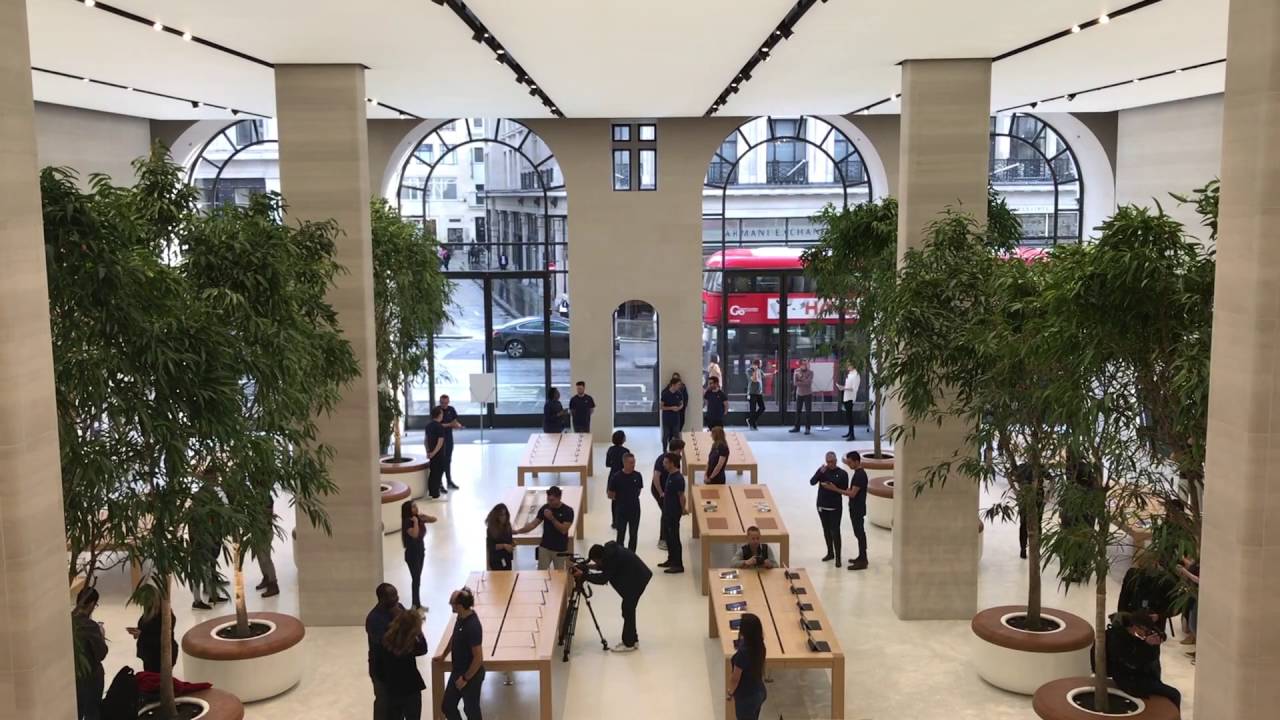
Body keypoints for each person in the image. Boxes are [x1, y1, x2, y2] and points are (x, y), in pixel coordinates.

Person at [577, 541, 653, 651]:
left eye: (596, 561)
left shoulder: (611, 559)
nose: (596, 563)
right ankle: (633, 639)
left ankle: (629, 644)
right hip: (638, 576)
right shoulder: (610, 553)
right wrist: (587, 567)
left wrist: (584, 575)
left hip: (637, 580)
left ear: (600, 557)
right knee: (628, 610)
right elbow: (604, 566)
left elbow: (603, 579)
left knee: (628, 609)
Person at [1106, 611, 1182, 710]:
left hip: (1144, 675)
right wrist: (1147, 645)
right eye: (1145, 631)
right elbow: (1133, 663)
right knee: (1174, 695)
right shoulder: (1118, 638)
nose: (1147, 634)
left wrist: (1157, 639)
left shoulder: (1142, 632)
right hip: (1129, 679)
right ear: (1135, 627)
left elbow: (1161, 635)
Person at [374, 608, 428, 720]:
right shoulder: (412, 645)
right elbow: (424, 649)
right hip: (411, 689)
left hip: (393, 689)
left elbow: (379, 668)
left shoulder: (386, 641)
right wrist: (419, 632)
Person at [442, 588, 485, 720]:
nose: (451, 606)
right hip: (458, 671)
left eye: (452, 604)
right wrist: (443, 655)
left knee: (471, 710)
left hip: (470, 674)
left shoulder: (472, 626)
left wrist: (465, 678)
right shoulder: (460, 617)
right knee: (448, 706)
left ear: (460, 605)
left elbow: (478, 658)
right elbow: (454, 637)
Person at [367, 583, 405, 720]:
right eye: (392, 596)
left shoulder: (398, 608)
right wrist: (398, 619)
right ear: (382, 599)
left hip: (397, 668)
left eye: (396, 594)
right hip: (380, 670)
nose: (397, 598)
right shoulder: (373, 619)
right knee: (383, 705)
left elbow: (411, 628)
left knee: (397, 706)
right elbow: (387, 643)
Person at [514, 485, 574, 570]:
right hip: (545, 547)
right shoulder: (545, 508)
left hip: (560, 549)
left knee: (559, 575)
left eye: (552, 500)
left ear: (559, 497)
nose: (550, 502)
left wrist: (552, 518)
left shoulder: (568, 511)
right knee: (541, 573)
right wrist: (517, 531)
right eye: (548, 500)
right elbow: (533, 524)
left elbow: (564, 530)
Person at [72, 586, 107, 720]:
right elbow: (101, 653)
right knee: (92, 711)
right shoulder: (90, 626)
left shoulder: (67, 621)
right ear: (92, 604)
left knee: (77, 711)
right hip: (90, 676)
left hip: (72, 676)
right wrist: (102, 634)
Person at [726, 612, 767, 720]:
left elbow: (735, 678)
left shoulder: (743, 654)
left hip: (746, 697)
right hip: (759, 691)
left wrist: (730, 692)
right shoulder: (760, 645)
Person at [810, 451, 849, 565]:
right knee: (826, 530)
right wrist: (819, 473)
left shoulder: (842, 473)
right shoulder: (822, 471)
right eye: (828, 462)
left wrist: (832, 487)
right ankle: (830, 552)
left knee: (835, 531)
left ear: (836, 461)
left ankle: (838, 557)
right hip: (822, 505)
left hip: (835, 507)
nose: (830, 464)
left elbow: (844, 489)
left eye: (832, 462)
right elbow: (812, 482)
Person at [129, 585, 177, 673]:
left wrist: (142, 634)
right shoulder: (149, 612)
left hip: (159, 655)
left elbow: (163, 638)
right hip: (149, 655)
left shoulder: (165, 616)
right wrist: (138, 632)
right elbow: (148, 630)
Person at [401, 501, 438, 608]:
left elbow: (434, 519)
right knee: (416, 579)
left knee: (417, 579)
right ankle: (415, 604)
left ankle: (417, 604)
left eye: (416, 506)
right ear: (408, 510)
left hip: (421, 552)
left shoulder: (418, 517)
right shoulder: (407, 522)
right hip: (412, 554)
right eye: (413, 507)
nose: (416, 508)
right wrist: (416, 522)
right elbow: (415, 534)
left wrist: (425, 517)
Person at [657, 452, 687, 574]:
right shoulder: (670, 475)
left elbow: (681, 496)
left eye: (665, 462)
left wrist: (683, 509)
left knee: (674, 538)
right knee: (669, 537)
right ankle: (671, 559)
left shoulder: (678, 478)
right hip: (667, 511)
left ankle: (678, 564)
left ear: (672, 463)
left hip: (673, 513)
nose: (663, 464)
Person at [651, 437, 684, 551]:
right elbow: (656, 477)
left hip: (668, 490)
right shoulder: (662, 459)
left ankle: (668, 537)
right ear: (676, 450)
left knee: (667, 513)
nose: (681, 453)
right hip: (659, 490)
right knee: (665, 513)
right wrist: (661, 493)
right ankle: (663, 539)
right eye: (680, 450)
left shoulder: (676, 459)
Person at [608, 453, 644, 551]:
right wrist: (621, 499)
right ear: (624, 463)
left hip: (635, 510)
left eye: (634, 462)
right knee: (621, 534)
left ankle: (632, 556)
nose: (633, 465)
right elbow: (610, 494)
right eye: (631, 463)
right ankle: (620, 556)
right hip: (621, 510)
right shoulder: (616, 477)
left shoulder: (638, 475)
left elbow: (639, 491)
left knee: (633, 534)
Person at [843, 451, 870, 570]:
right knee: (858, 533)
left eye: (850, 463)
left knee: (860, 533)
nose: (849, 465)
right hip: (855, 507)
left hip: (857, 508)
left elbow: (853, 494)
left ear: (856, 461)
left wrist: (836, 489)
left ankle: (863, 560)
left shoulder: (860, 475)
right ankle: (861, 556)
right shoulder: (857, 473)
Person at [252, 495, 279, 597]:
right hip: (258, 531)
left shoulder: (266, 497)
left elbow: (267, 514)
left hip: (264, 531)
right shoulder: (256, 496)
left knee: (265, 558)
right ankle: (266, 578)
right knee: (260, 557)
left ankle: (273, 584)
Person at [605, 430, 630, 530]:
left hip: (613, 475)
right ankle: (622, 520)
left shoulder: (610, 449)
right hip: (623, 475)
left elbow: (607, 464)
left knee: (614, 500)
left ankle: (614, 522)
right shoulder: (626, 451)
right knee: (623, 499)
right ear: (622, 439)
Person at [440, 394, 463, 491]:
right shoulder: (437, 411)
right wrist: (450, 425)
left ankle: (449, 481)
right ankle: (439, 483)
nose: (444, 405)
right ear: (439, 402)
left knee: (448, 460)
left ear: (448, 402)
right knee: (441, 461)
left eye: (446, 403)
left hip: (449, 438)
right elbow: (438, 425)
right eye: (442, 403)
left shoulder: (451, 409)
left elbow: (454, 421)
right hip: (439, 438)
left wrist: (458, 425)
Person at [425, 406, 448, 498]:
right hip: (438, 454)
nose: (443, 415)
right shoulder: (439, 426)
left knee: (433, 472)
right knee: (438, 473)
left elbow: (426, 440)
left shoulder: (428, 426)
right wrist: (434, 453)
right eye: (442, 413)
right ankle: (435, 494)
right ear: (439, 415)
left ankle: (431, 492)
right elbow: (440, 442)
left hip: (431, 453)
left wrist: (428, 451)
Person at [485, 503, 515, 571]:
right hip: (496, 560)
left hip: (507, 559)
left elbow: (509, 540)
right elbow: (491, 546)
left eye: (505, 514)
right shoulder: (491, 529)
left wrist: (512, 544)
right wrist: (504, 546)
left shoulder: (507, 526)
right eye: (501, 515)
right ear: (497, 516)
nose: (504, 517)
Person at [835, 363, 860, 440]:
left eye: (849, 365)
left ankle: (852, 435)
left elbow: (854, 388)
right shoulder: (850, 374)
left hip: (850, 397)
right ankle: (849, 432)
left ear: (853, 366)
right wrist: (843, 387)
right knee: (848, 416)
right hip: (846, 396)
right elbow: (848, 386)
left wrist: (843, 388)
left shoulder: (856, 375)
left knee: (850, 417)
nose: (847, 366)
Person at [789, 359, 814, 434]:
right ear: (800, 365)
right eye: (803, 364)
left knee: (808, 412)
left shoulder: (811, 372)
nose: (805, 365)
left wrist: (800, 378)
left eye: (806, 364)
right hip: (799, 393)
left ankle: (807, 428)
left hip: (808, 394)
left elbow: (808, 383)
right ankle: (797, 427)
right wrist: (803, 380)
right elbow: (795, 383)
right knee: (798, 411)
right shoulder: (796, 371)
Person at [660, 377, 684, 449]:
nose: (679, 386)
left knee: (677, 436)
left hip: (676, 418)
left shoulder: (679, 393)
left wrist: (679, 408)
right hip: (667, 418)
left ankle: (677, 450)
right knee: (666, 435)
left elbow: (682, 404)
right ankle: (664, 450)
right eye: (678, 384)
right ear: (673, 385)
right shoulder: (665, 394)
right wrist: (671, 408)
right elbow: (661, 407)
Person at [745, 359, 769, 430]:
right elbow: (754, 379)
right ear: (756, 364)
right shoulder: (749, 370)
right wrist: (755, 370)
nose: (761, 365)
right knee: (753, 409)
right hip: (752, 393)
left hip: (759, 393)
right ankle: (753, 425)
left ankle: (751, 420)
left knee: (762, 407)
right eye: (760, 363)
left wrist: (773, 373)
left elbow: (764, 375)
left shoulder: (759, 370)